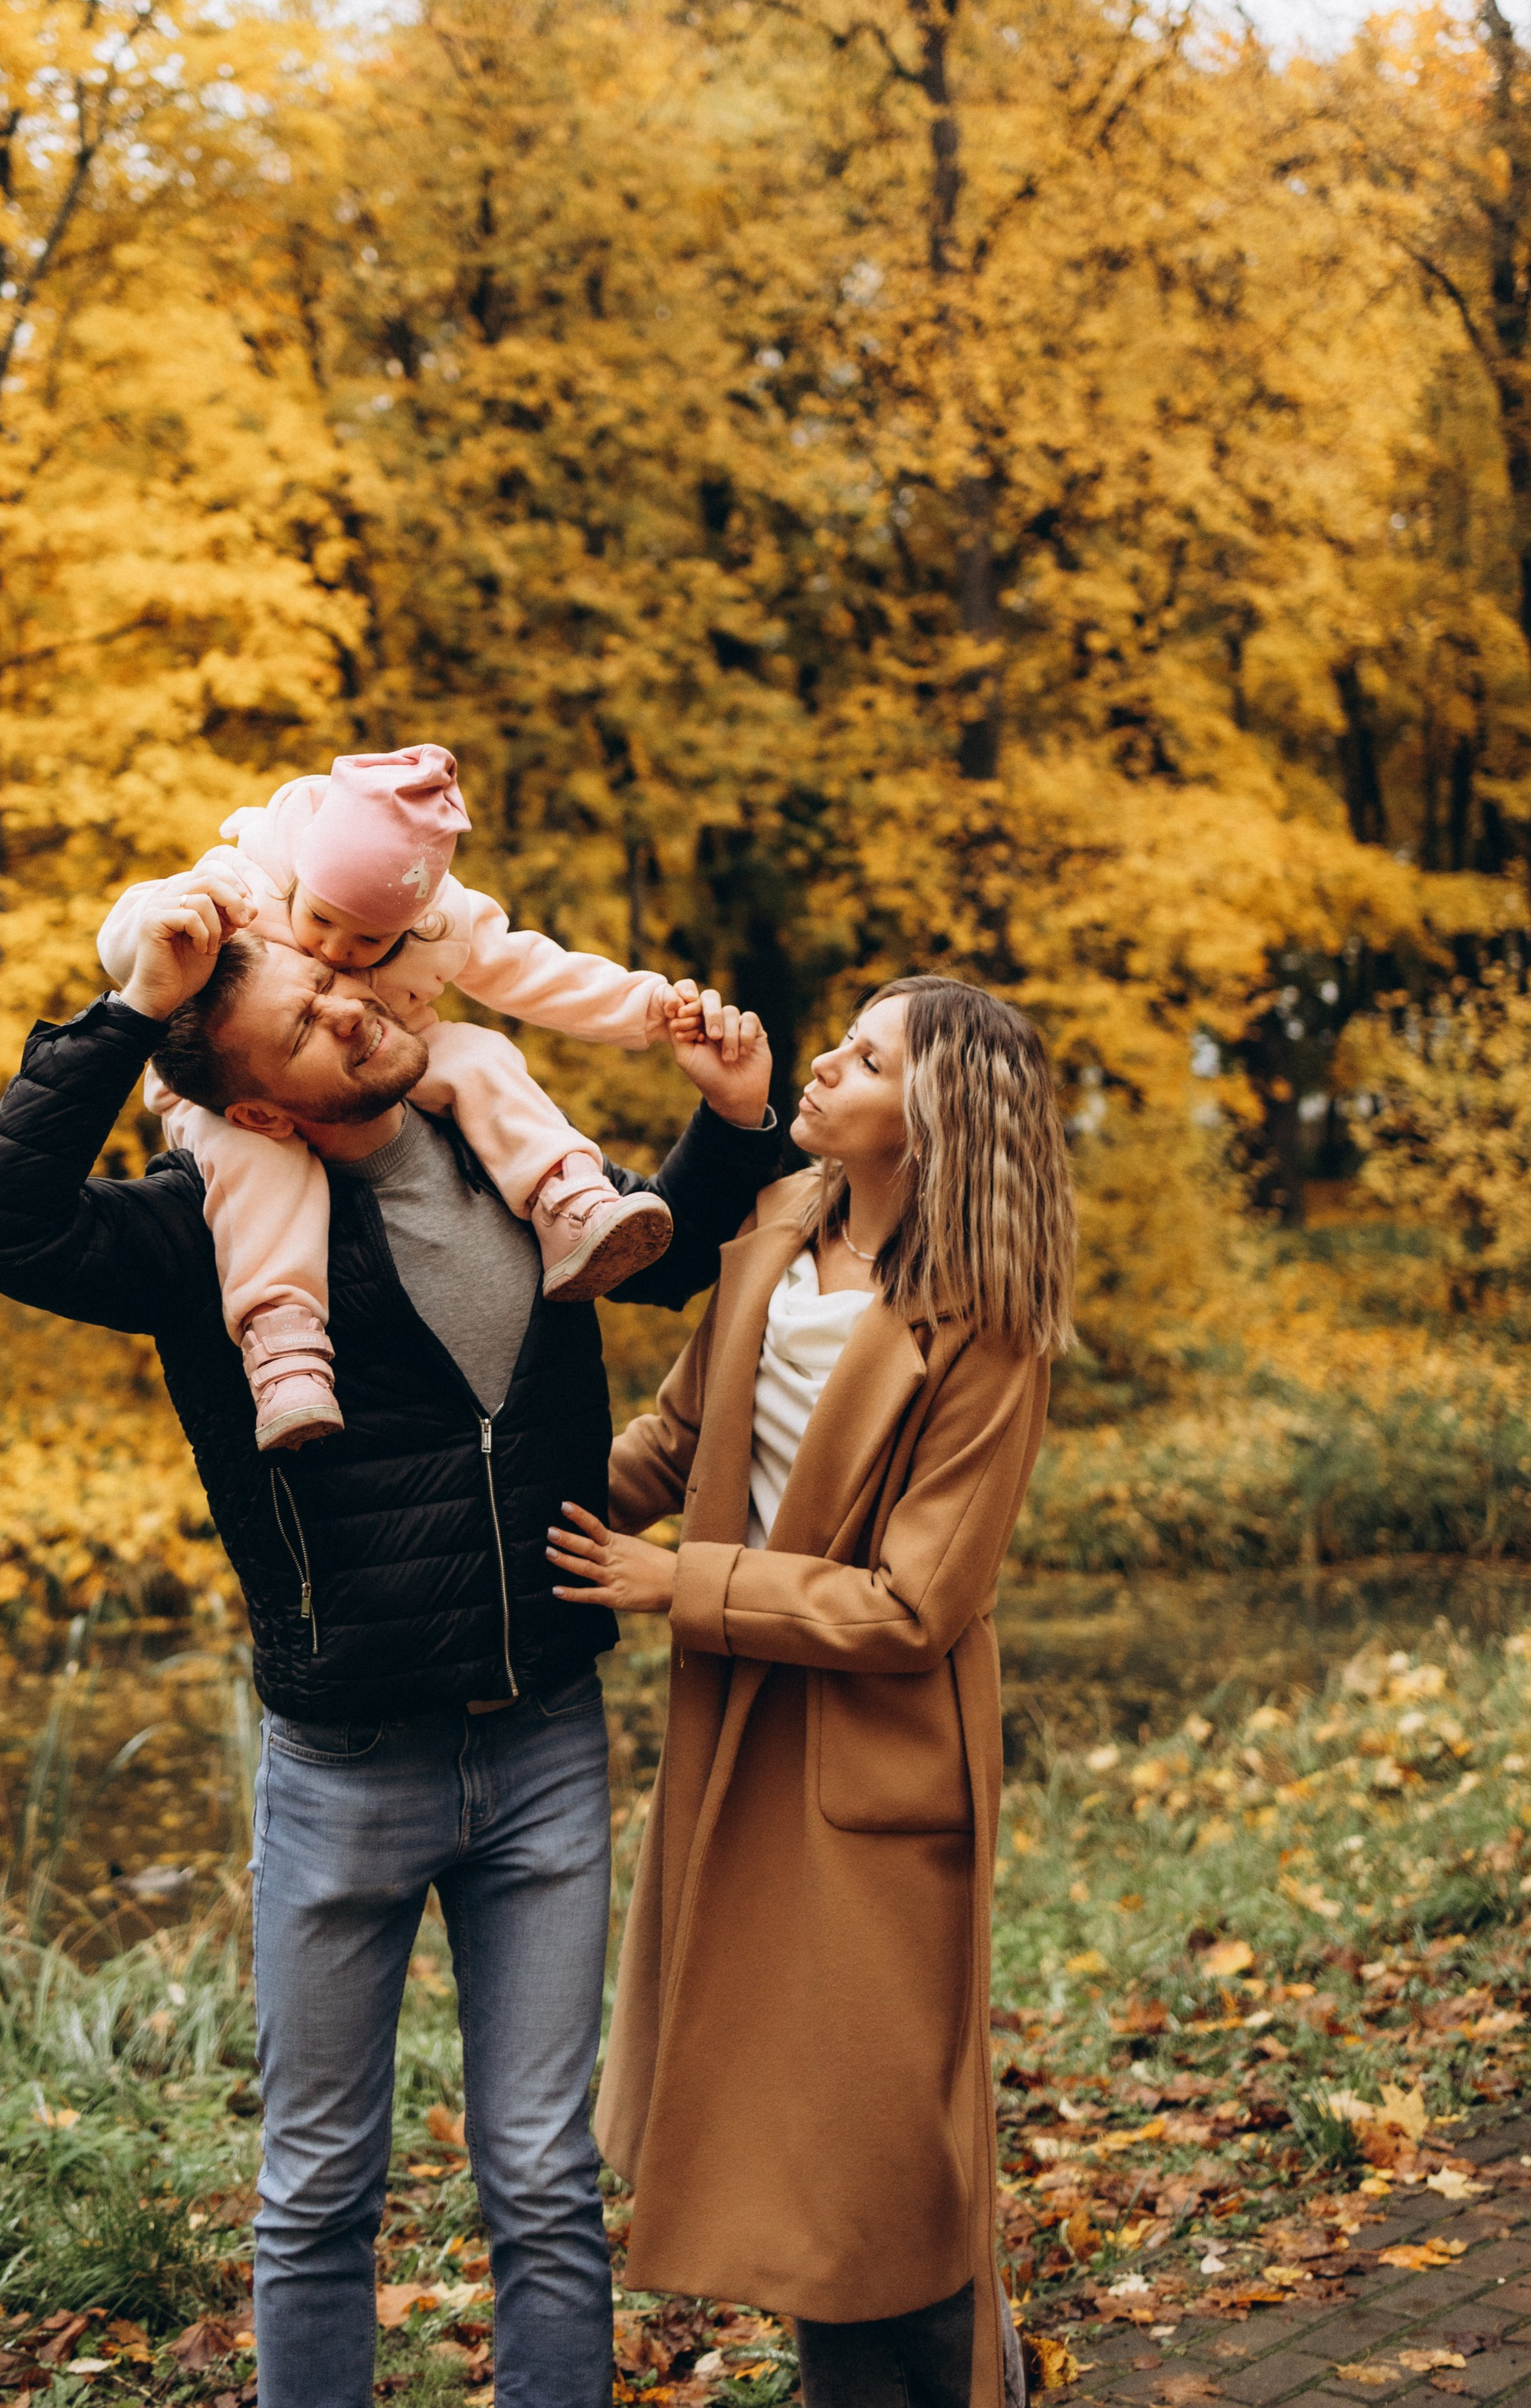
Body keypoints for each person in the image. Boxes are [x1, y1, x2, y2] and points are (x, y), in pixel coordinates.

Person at [0, 872, 781, 2408]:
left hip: (539, 1745)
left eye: (335, 990)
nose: (351, 1014)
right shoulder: (210, 1235)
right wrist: (136, 1007)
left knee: (540, 2177)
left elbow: (658, 1252)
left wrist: (729, 1121)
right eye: (305, 1031)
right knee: (319, 2188)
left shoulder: (498, 1134)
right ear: (257, 1110)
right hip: (344, 1770)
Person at [547, 974, 1077, 2408]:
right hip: (741, 1738)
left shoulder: (989, 1321)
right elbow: (676, 1436)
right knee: (792, 2137)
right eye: (840, 1040)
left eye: (868, 1053)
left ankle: (970, 2382)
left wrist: (685, 1585)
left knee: (878, 2149)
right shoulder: (776, 1229)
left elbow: (917, 1607)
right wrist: (490, 1499)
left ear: (938, 1113)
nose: (826, 1062)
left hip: (877, 1757)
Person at [99, 745, 696, 1450]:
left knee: (484, 1055)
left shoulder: (446, 922)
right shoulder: (247, 879)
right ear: (302, 874)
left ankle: (567, 1199)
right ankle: (284, 1342)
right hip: (226, 1095)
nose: (335, 951)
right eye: (318, 919)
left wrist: (648, 1007)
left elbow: (536, 972)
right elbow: (129, 931)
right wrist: (150, 927)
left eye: (369, 940)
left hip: (382, 1054)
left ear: (412, 923)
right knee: (261, 1165)